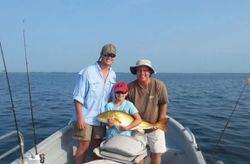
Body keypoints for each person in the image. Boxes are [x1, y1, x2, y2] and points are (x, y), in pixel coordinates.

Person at [71, 43, 117, 164]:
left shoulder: (113, 74)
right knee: (84, 145)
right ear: (101, 54)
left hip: (102, 118)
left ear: (115, 57)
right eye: (106, 54)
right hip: (86, 117)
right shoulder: (87, 72)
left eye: (112, 55)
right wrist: (80, 118)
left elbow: (112, 99)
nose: (109, 57)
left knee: (97, 146)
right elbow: (77, 97)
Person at [127, 59, 169, 164]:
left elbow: (163, 103)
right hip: (137, 127)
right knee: (138, 154)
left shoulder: (159, 85)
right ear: (135, 72)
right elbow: (126, 108)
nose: (142, 73)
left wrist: (160, 122)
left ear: (150, 72)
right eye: (139, 70)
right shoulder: (130, 87)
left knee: (156, 153)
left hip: (155, 126)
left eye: (145, 70)